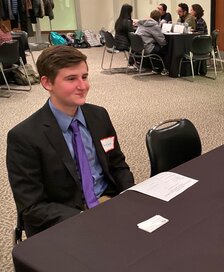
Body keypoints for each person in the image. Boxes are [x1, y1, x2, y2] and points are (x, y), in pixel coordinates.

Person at [6, 46, 135, 237]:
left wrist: (128, 196)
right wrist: (85, 218)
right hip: (66, 218)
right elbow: (32, 207)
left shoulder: (99, 115)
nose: (83, 86)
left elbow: (117, 164)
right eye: (71, 79)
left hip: (108, 203)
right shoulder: (24, 137)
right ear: (47, 83)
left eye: (84, 76)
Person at [135, 10, 168, 75]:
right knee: (166, 48)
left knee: (157, 46)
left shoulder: (142, 23)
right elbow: (162, 41)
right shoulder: (154, 26)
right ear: (159, 18)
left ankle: (155, 67)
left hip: (137, 47)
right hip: (146, 48)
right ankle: (163, 68)